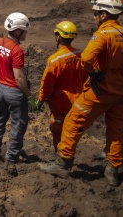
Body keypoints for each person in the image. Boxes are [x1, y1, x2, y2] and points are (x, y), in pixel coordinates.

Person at [39, 0, 123, 186]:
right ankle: (112, 168)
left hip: (102, 90)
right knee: (116, 129)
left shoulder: (103, 35)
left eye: (96, 14)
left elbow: (86, 59)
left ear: (104, 15)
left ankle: (63, 162)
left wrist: (94, 73)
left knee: (72, 120)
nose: (94, 18)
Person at [0, 12, 32, 164]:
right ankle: (11, 159)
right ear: (18, 31)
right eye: (25, 30)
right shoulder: (17, 50)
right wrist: (29, 96)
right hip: (14, 93)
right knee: (18, 125)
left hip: (0, 90)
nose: (26, 33)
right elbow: (19, 77)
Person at [37, 21, 87, 150]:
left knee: (58, 132)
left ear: (58, 37)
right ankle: (69, 155)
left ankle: (61, 159)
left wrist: (41, 100)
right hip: (78, 101)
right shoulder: (82, 55)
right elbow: (86, 77)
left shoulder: (55, 60)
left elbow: (47, 84)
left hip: (60, 103)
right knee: (71, 131)